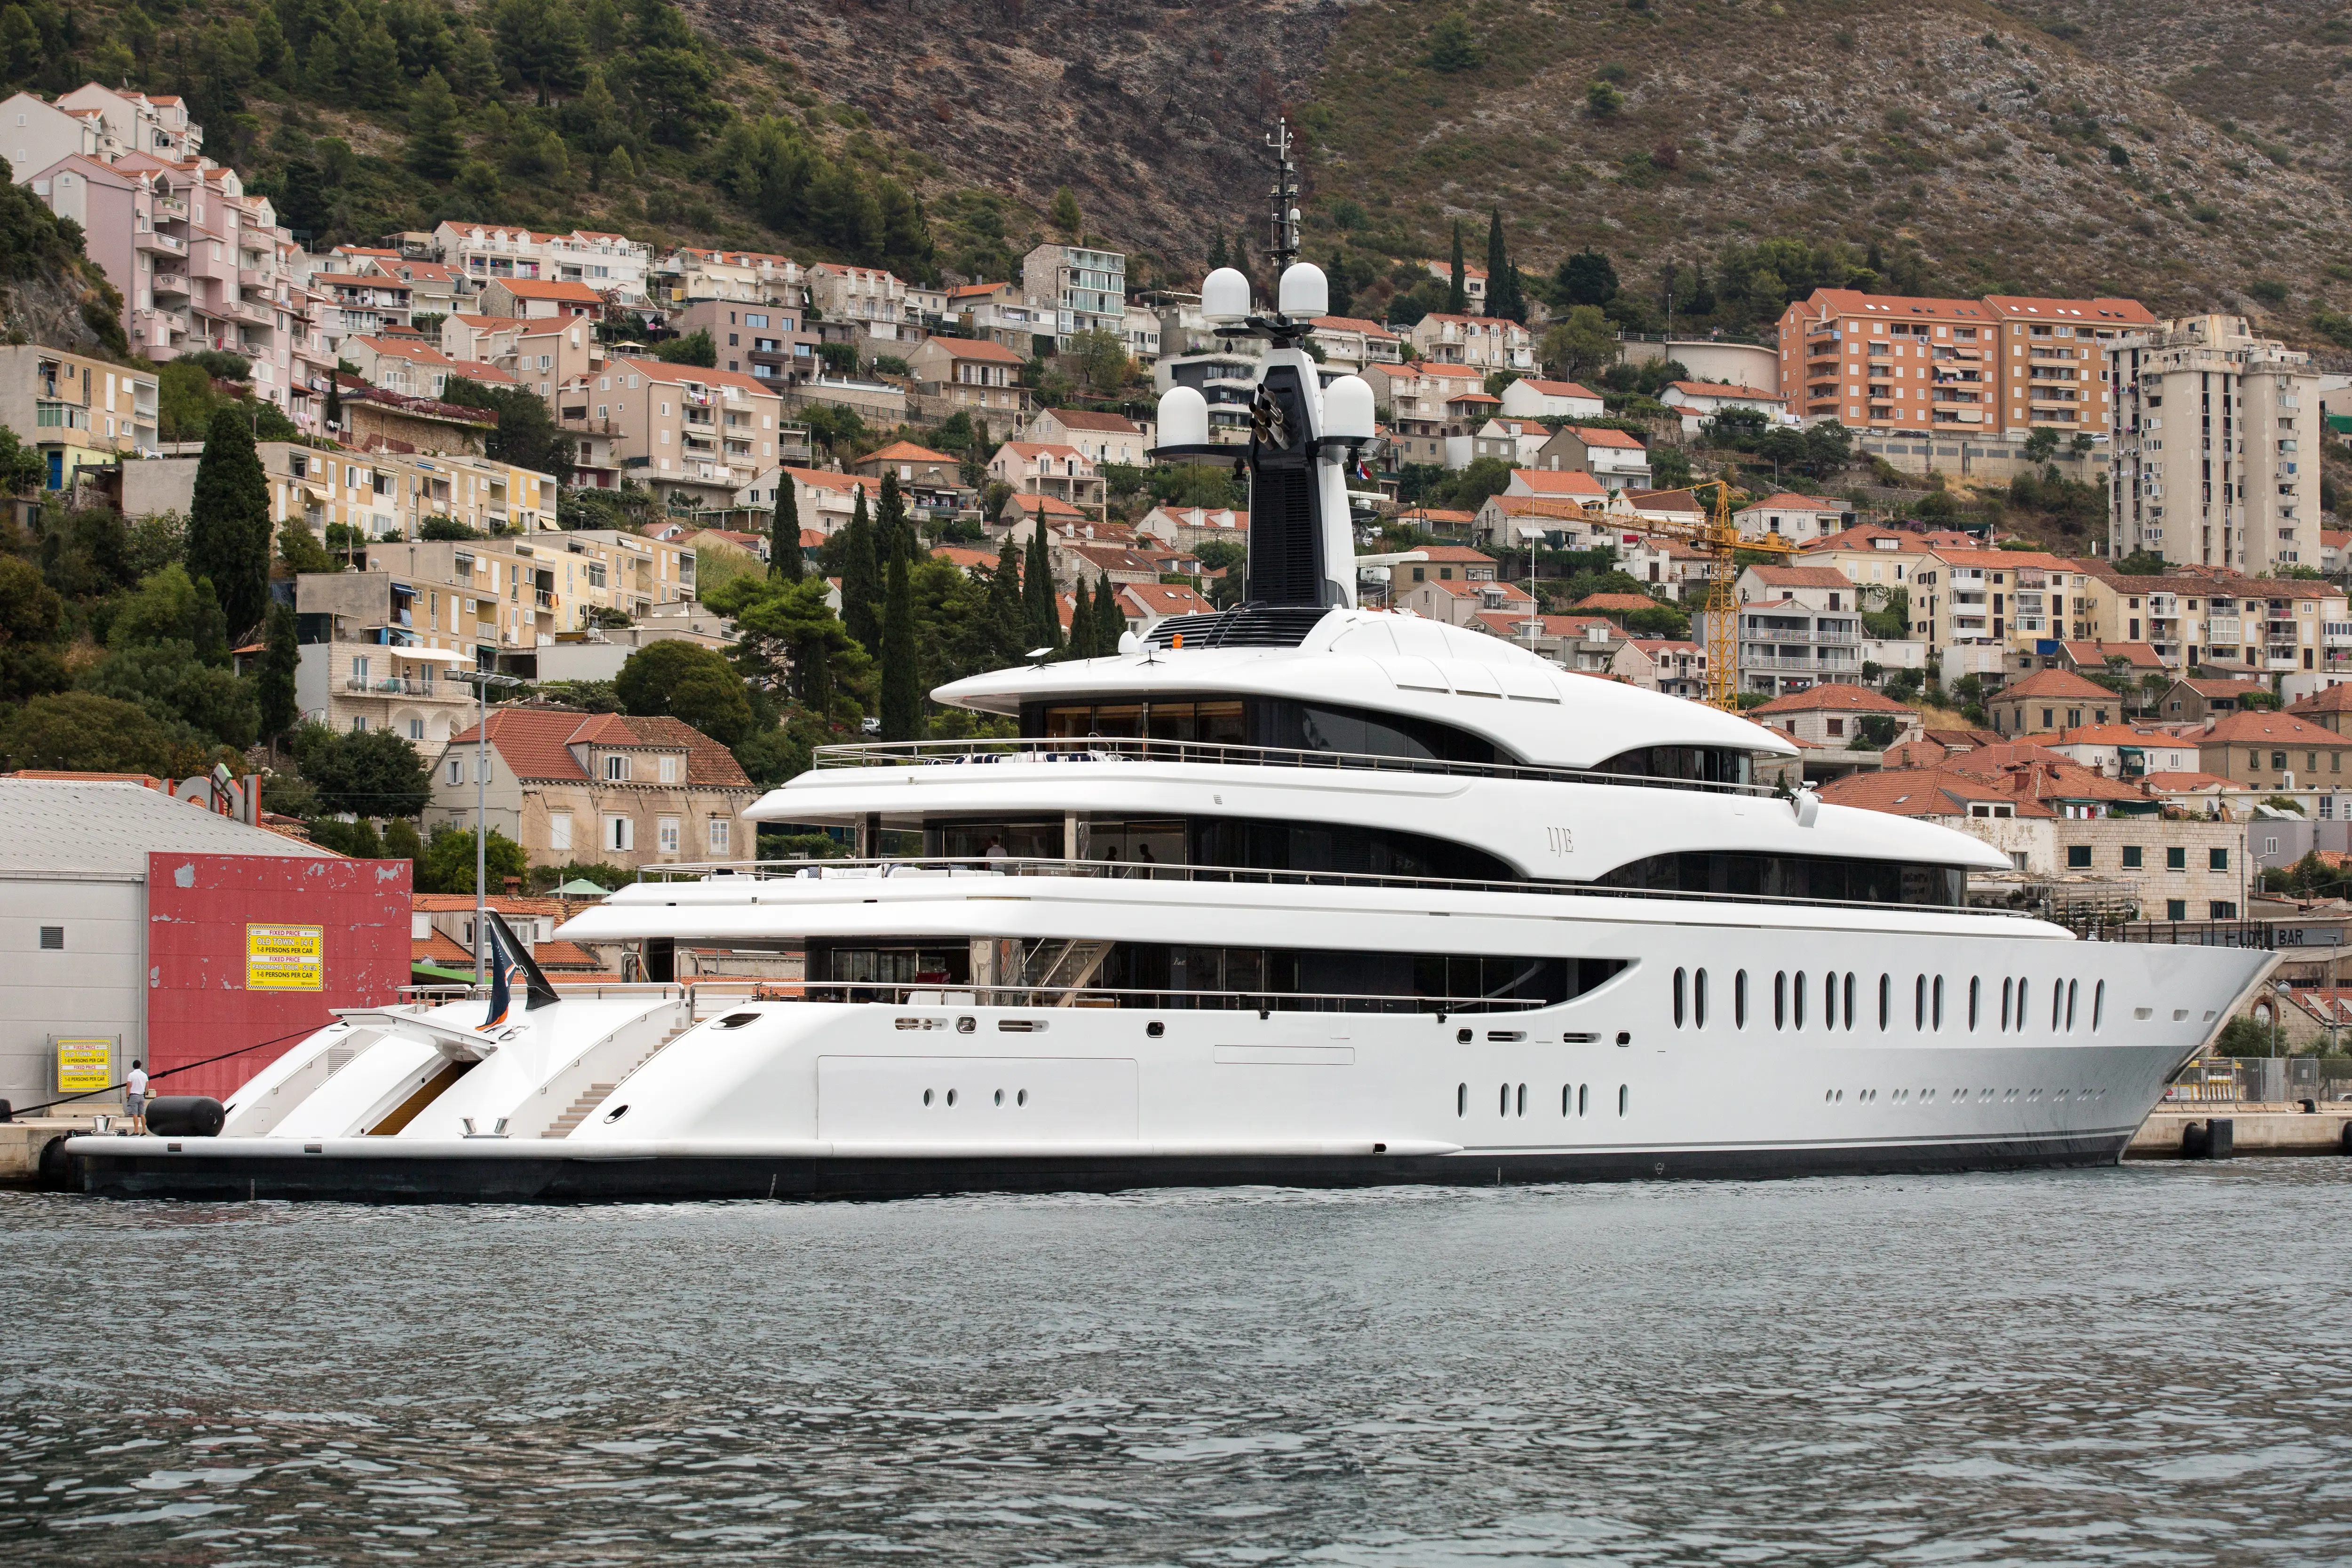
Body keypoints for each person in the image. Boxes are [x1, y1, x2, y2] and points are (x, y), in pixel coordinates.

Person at [125, 1059, 148, 1134]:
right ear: (140, 1066)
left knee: (135, 1114)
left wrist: (128, 1096)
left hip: (134, 1095)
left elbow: (129, 1086)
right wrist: (145, 1093)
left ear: (133, 1066)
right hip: (142, 1096)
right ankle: (144, 1131)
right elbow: (148, 1085)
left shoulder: (131, 1075)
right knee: (142, 1114)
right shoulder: (144, 1075)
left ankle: (136, 1131)